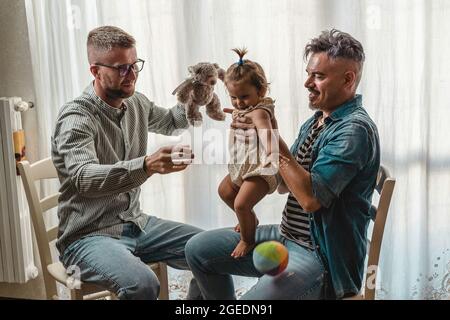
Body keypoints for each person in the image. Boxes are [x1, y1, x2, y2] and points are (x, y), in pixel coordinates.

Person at [185, 29, 380, 300]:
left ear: (348, 79)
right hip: (287, 237)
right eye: (309, 73)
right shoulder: (317, 120)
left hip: (320, 254)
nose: (307, 83)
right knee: (197, 249)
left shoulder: (354, 130)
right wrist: (257, 140)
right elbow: (283, 186)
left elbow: (310, 199)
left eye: (319, 76)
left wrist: (270, 136)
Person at [51, 26, 203, 300]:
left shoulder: (136, 103)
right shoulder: (76, 117)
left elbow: (172, 122)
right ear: (95, 71)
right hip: (86, 238)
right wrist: (145, 166)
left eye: (135, 65)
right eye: (121, 68)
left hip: (136, 224)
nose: (132, 75)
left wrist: (196, 94)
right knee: (142, 284)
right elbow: (84, 178)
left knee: (211, 250)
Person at [218, 48, 279, 258]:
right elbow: (241, 114)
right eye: (233, 97)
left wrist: (272, 151)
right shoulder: (246, 108)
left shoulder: (260, 111)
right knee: (225, 191)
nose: (238, 102)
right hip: (244, 166)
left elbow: (265, 131)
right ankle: (249, 220)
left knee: (241, 204)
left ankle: (248, 239)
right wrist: (235, 112)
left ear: (261, 91)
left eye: (244, 96)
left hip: (260, 168)